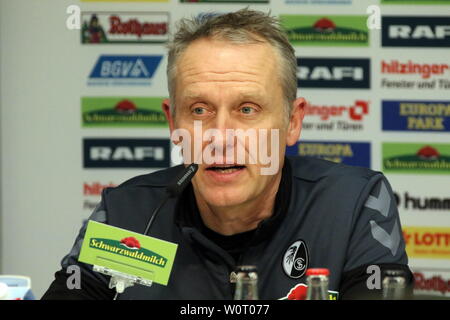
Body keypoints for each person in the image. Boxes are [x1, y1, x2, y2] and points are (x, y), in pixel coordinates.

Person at [42, 9, 414, 300]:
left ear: (292, 122)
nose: (221, 137)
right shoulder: (128, 213)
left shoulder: (351, 204)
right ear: (174, 123)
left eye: (247, 109)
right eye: (199, 110)